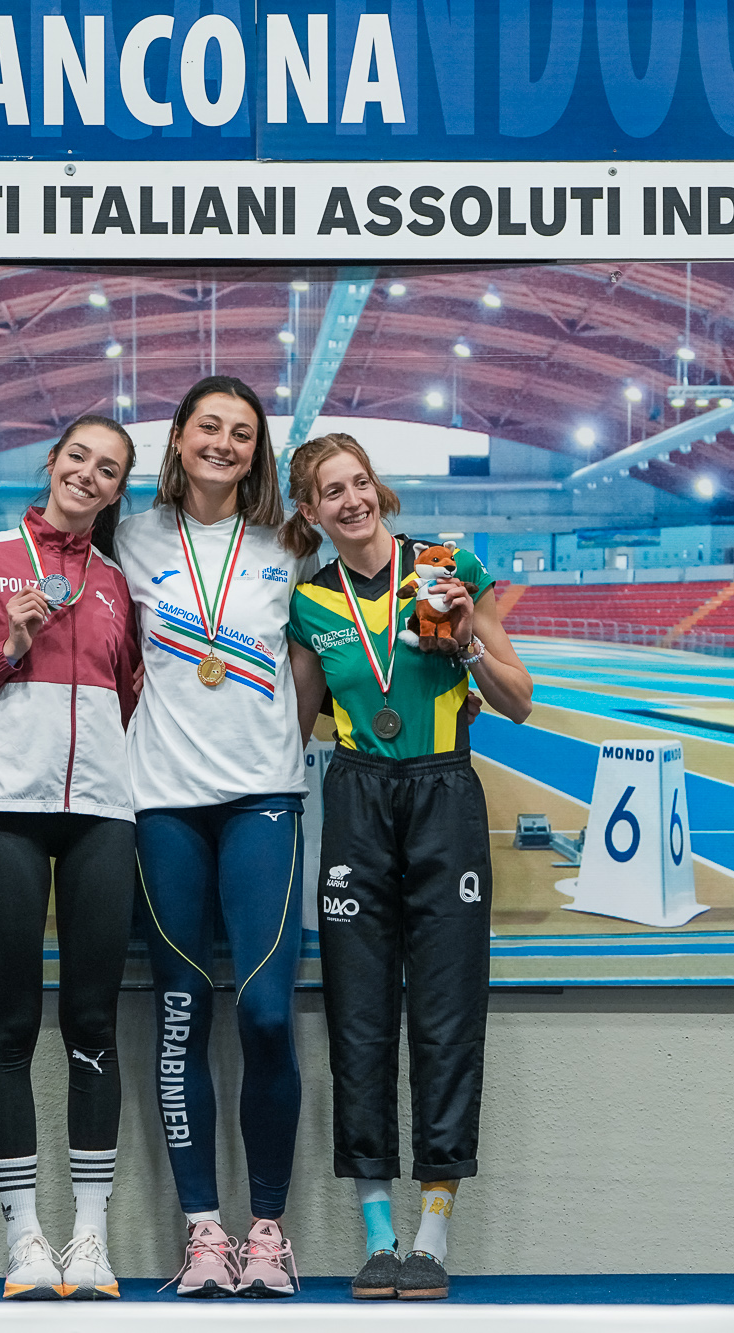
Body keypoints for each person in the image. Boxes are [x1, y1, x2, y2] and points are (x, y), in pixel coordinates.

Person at [282, 432, 533, 1302]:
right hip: (355, 798)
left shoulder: (447, 567)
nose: (351, 499)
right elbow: (296, 724)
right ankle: (378, 1233)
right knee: (357, 1016)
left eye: (359, 482)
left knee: (446, 1012)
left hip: (444, 792)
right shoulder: (310, 601)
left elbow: (519, 699)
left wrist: (465, 642)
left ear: (378, 489)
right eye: (331, 491)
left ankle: (432, 1234)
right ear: (311, 511)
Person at [0, 416, 143, 1301]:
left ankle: (90, 1237)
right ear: (52, 463)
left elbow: (128, 697)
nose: (90, 474)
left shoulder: (115, 580)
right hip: (6, 809)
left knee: (93, 1026)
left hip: (101, 816)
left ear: (119, 490)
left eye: (109, 469)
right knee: (11, 1026)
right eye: (79, 457)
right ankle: (24, 1238)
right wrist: (7, 649)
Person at [113, 375, 312, 1297]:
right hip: (163, 803)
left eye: (241, 432)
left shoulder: (289, 544)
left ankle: (267, 1229)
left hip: (263, 798)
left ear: (257, 451)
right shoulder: (131, 537)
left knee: (266, 1011)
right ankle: (203, 1230)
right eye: (209, 427)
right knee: (181, 1011)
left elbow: (318, 657)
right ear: (180, 439)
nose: (224, 443)